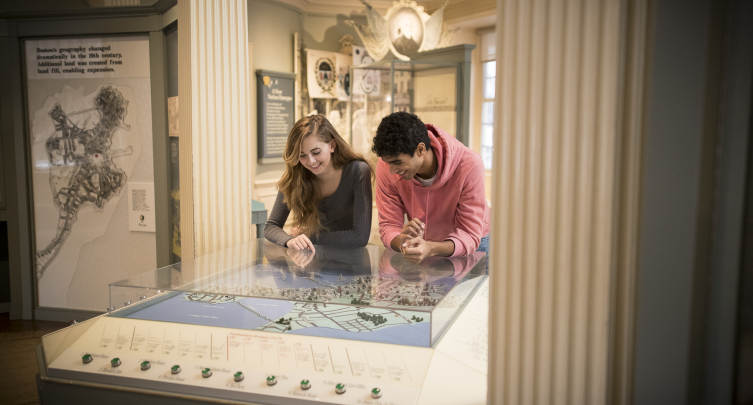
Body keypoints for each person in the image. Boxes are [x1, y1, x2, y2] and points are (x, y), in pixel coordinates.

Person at [372, 112, 490, 265]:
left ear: (421, 149)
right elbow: (389, 225)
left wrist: (430, 247)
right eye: (388, 163)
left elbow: (469, 234)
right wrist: (400, 241)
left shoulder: (469, 165)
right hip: (425, 246)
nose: (392, 171)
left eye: (398, 162)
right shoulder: (387, 165)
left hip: (471, 246)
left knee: (467, 290)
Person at [264, 115, 373, 250]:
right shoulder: (295, 176)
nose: (310, 161)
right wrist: (290, 241)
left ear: (332, 145)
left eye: (316, 152)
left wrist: (310, 237)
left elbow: (360, 237)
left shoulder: (358, 171)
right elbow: (271, 227)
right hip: (313, 262)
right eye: (302, 155)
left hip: (352, 263)